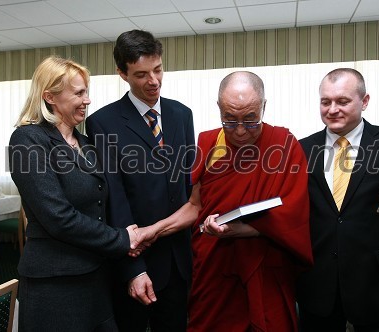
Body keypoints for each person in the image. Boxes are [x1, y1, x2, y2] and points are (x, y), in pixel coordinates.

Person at [132, 71, 314, 331]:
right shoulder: (208, 142)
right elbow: (195, 206)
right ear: (218, 108)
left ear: (264, 107)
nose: (240, 130)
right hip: (215, 269)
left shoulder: (284, 144)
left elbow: (293, 216)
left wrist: (239, 230)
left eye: (250, 119)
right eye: (229, 119)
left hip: (264, 266)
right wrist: (153, 231)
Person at [8, 55, 141, 331]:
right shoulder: (28, 139)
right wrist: (121, 239)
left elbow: (102, 203)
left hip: (96, 277)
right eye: (79, 93)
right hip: (56, 286)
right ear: (50, 97)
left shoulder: (86, 143)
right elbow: (58, 217)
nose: (87, 100)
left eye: (87, 92)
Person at [296, 68, 379, 331]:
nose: (332, 109)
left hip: (378, 286)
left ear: (364, 101)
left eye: (342, 101)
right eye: (325, 102)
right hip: (318, 288)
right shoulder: (301, 149)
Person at [85, 29, 195, 331]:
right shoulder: (102, 123)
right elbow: (114, 201)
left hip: (179, 260)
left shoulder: (181, 114)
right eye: (141, 74)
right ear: (122, 73)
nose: (154, 81)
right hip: (136, 263)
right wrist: (133, 269)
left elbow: (186, 187)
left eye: (158, 69)